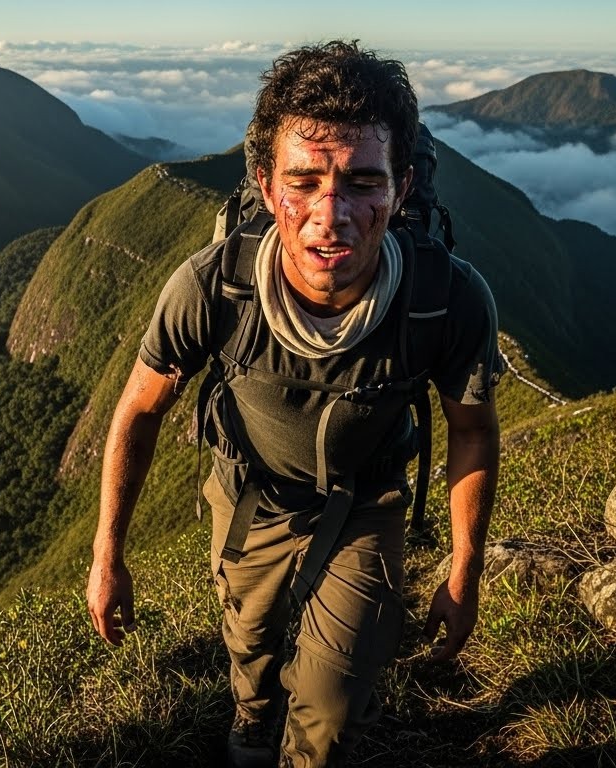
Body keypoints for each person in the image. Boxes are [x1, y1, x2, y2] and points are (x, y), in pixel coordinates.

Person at [86, 40, 501, 767]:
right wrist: (106, 552)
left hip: (367, 506)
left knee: (333, 708)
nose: (329, 214)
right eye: (303, 181)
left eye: (362, 183)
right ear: (265, 183)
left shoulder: (446, 300)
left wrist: (464, 568)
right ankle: (250, 731)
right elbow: (139, 412)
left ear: (402, 188)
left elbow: (472, 430)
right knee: (249, 651)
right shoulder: (214, 284)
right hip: (245, 500)